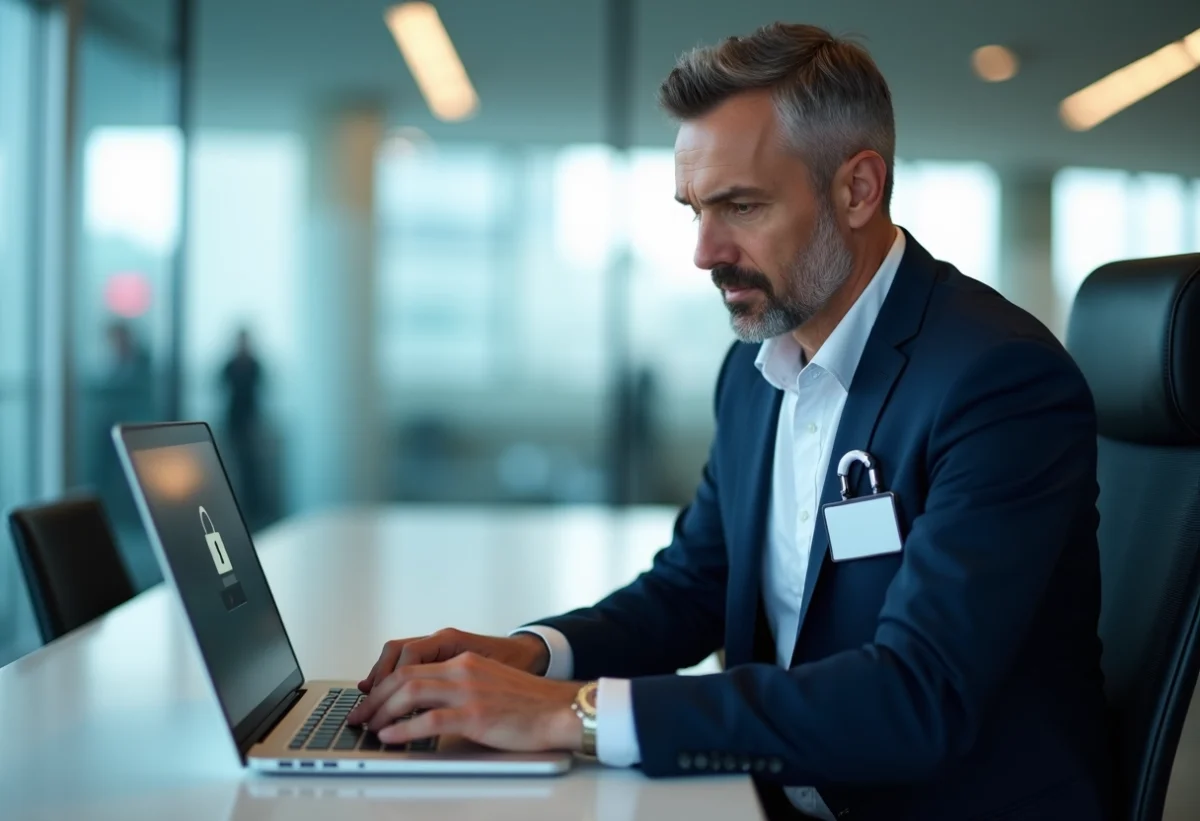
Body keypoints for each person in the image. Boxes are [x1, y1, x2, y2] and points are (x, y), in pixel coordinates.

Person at [347, 23, 1111, 821]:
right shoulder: (754, 371)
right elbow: (695, 586)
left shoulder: (996, 380)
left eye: (741, 206)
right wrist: (534, 655)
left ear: (857, 189)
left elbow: (916, 696)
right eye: (695, 210)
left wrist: (567, 713)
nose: (705, 251)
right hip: (768, 795)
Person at [220, 328, 265, 527]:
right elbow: (219, 385)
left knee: (251, 467)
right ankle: (236, 510)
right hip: (233, 421)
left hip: (250, 422)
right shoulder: (230, 364)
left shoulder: (254, 364)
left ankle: (253, 510)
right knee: (232, 466)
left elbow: (261, 388)